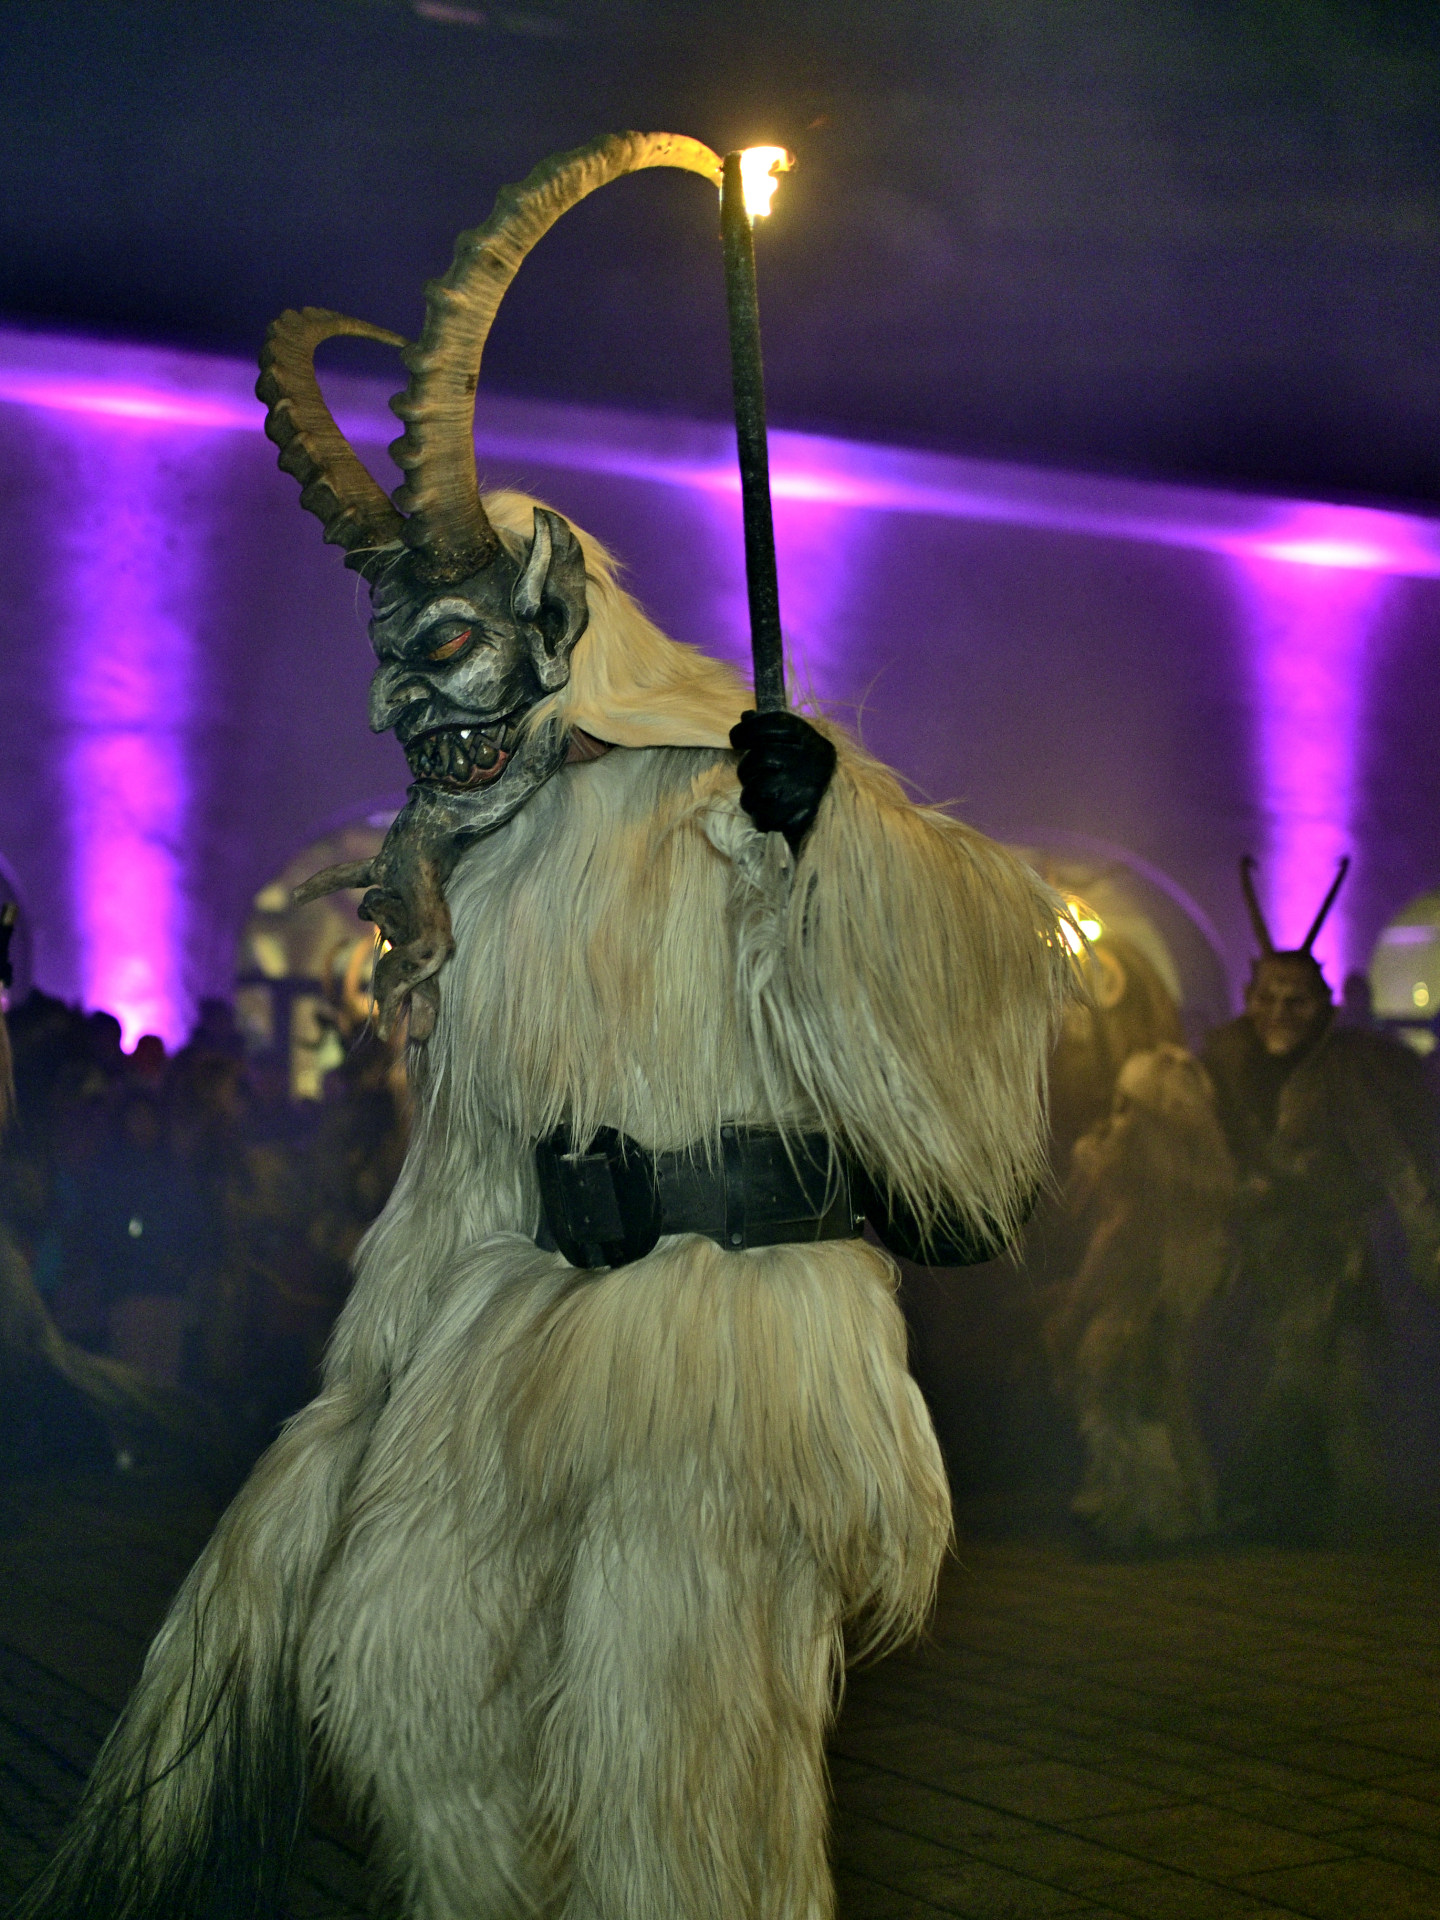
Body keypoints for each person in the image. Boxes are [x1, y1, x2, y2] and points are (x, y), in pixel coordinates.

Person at [21, 134, 1073, 1920]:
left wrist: (831, 841)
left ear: (556, 619)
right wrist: (370, 1392)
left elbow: (976, 954)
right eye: (392, 662)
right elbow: (465, 1165)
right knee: (418, 1691)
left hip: (726, 1353)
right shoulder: (485, 876)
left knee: (675, 1777)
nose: (399, 701)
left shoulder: (735, 784)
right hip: (517, 1336)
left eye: (439, 652)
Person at [1202, 857, 1440, 1542]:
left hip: (1326, 1254)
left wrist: (1424, 1232)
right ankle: (1261, 1498)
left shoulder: (1346, 1069)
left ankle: (1297, 1507)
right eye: (1268, 998)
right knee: (1246, 1370)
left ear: (1323, 1004)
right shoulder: (1229, 1064)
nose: (1279, 1014)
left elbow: (1391, 1157)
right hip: (1251, 1250)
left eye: (1296, 1002)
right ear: (1249, 998)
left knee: (1305, 1372)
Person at [1044, 1045, 1234, 1552]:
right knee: (1153, 1404)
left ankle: (1139, 1511)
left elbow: (1111, 1249)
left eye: (1127, 1107)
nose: (1115, 1119)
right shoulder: (1185, 1185)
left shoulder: (1137, 1188)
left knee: (1121, 1404)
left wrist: (1076, 1310)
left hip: (1131, 1313)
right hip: (1150, 1309)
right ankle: (1172, 1509)